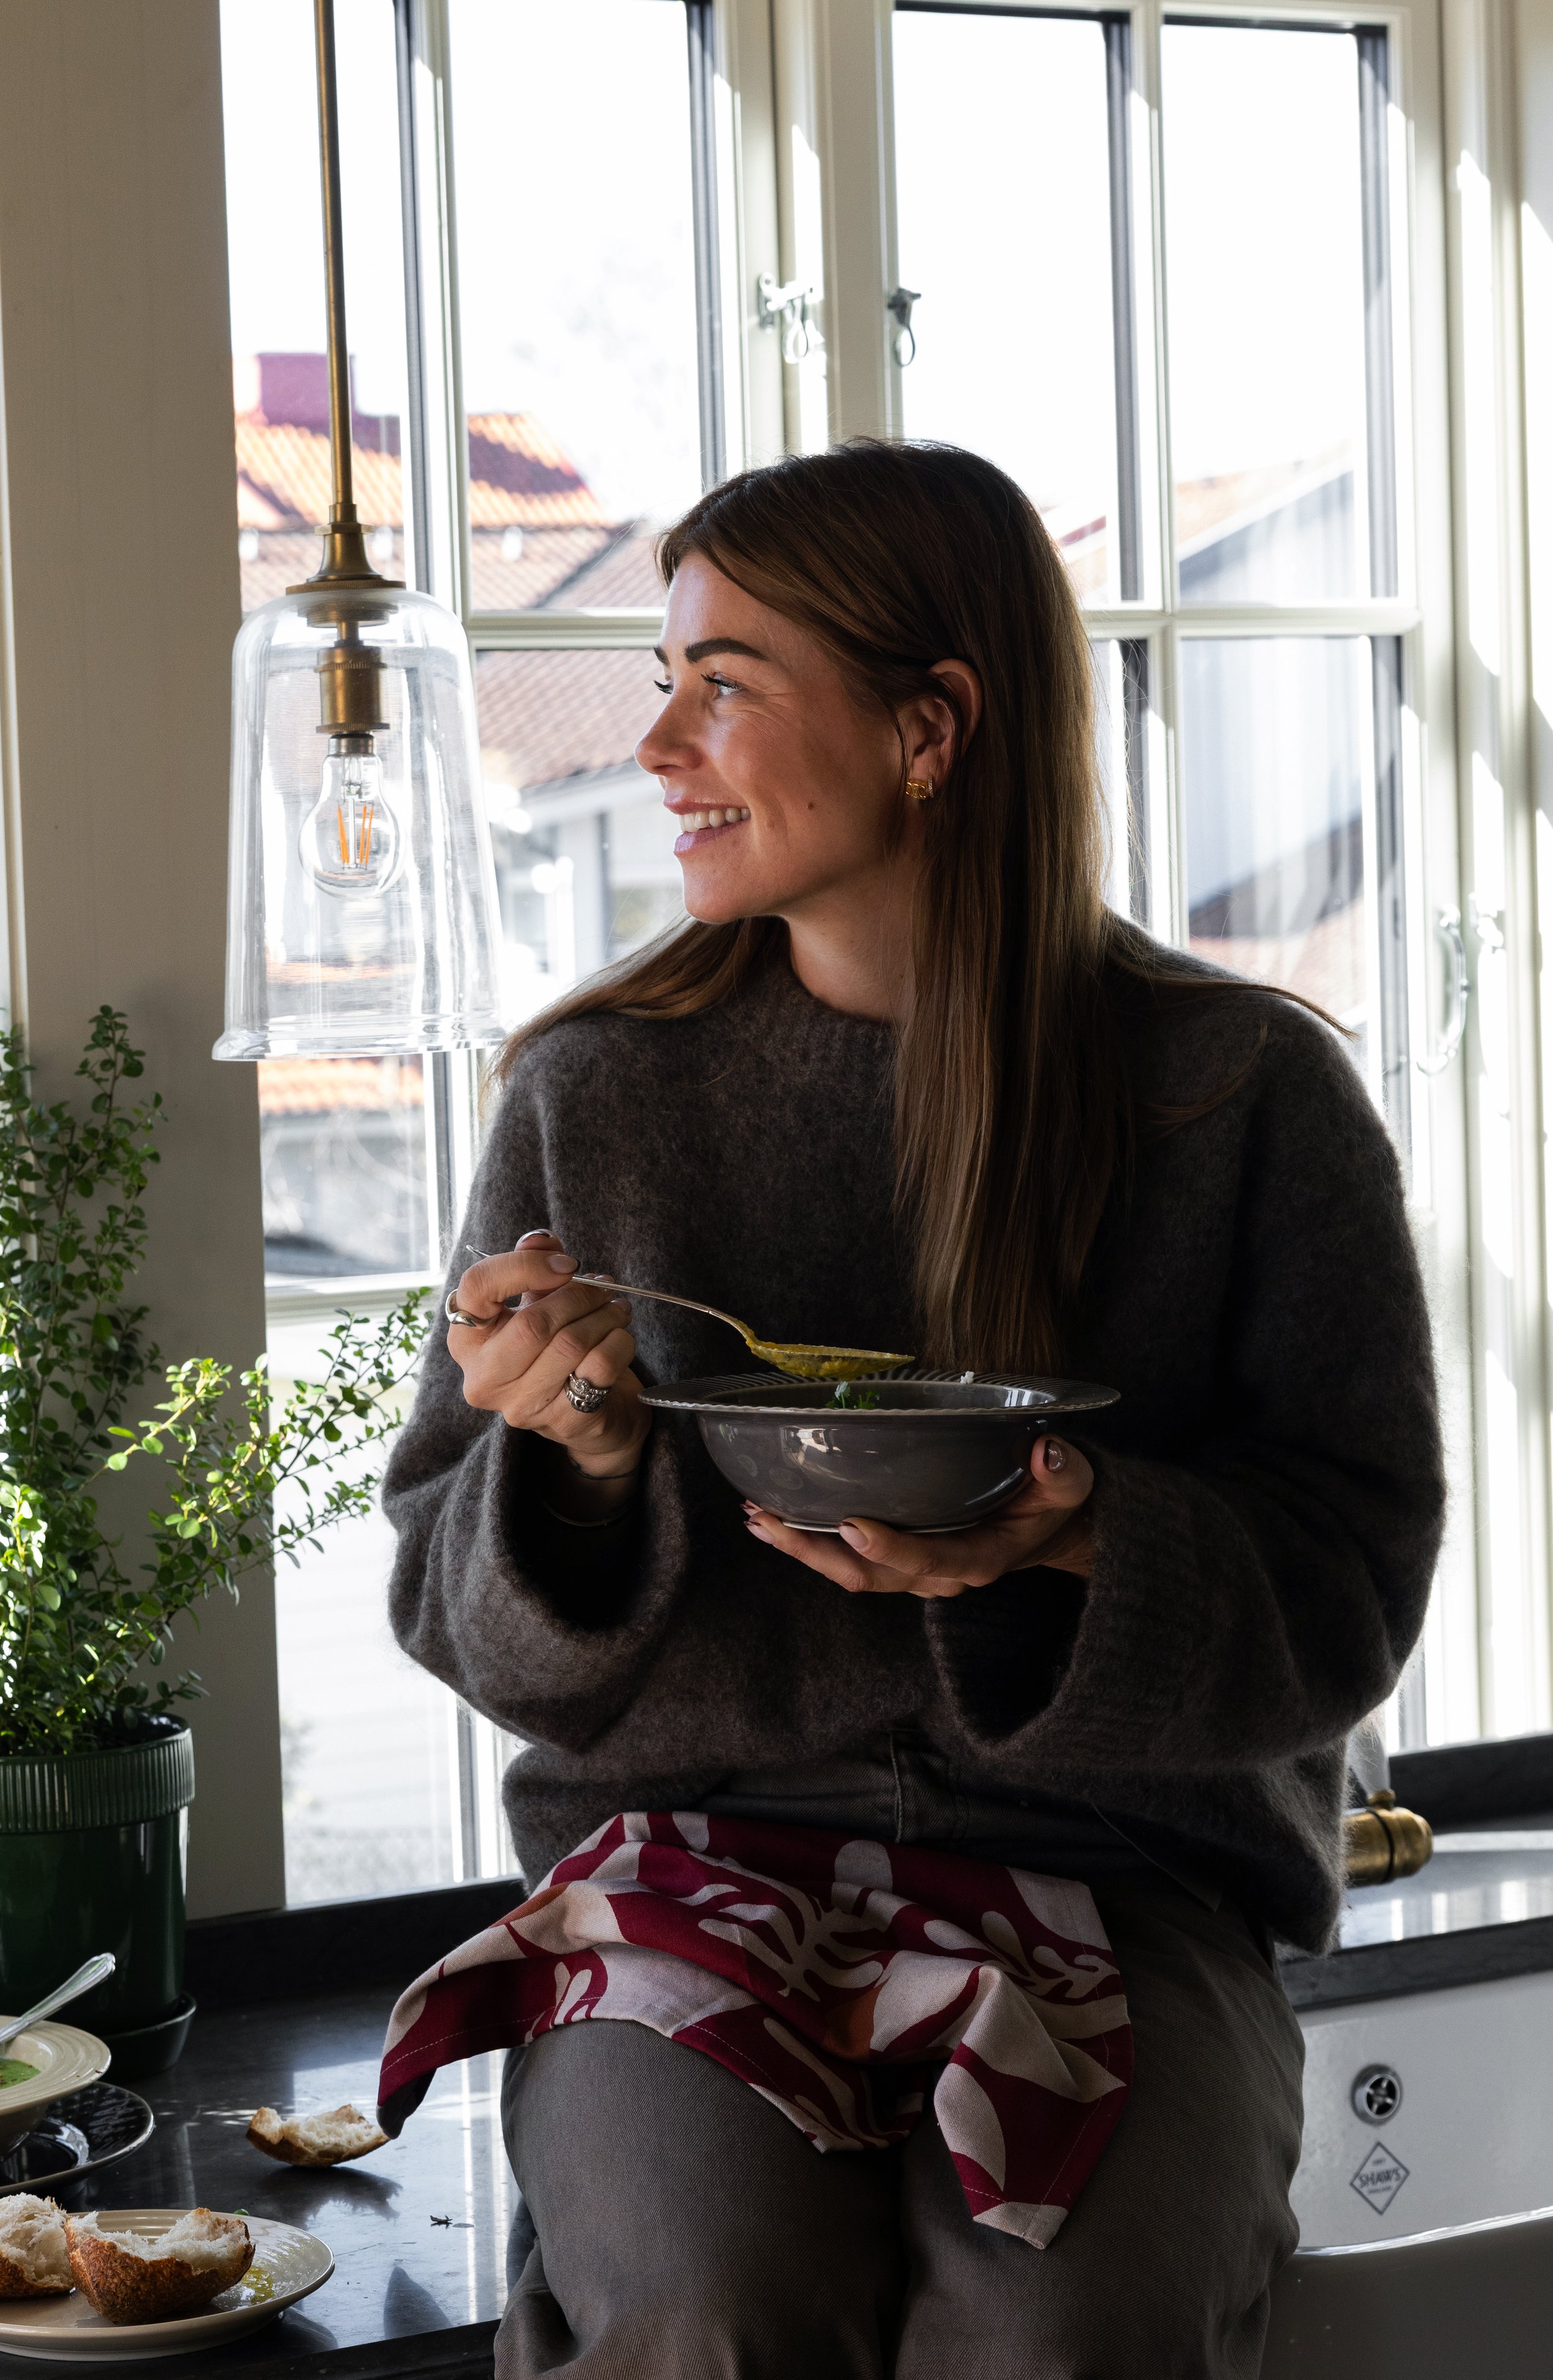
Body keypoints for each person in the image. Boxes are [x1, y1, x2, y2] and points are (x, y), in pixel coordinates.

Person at [383, 439, 1444, 2378]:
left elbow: (1353, 1587)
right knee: (706, 2301)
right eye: (664, 683)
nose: (657, 750)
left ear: (931, 726)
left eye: (721, 686)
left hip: (1129, 1883)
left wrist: (1093, 1539)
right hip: (684, 1865)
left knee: (1067, 2327)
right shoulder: (592, 1094)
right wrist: (577, 1460)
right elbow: (452, 1604)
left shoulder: (1248, 1097)